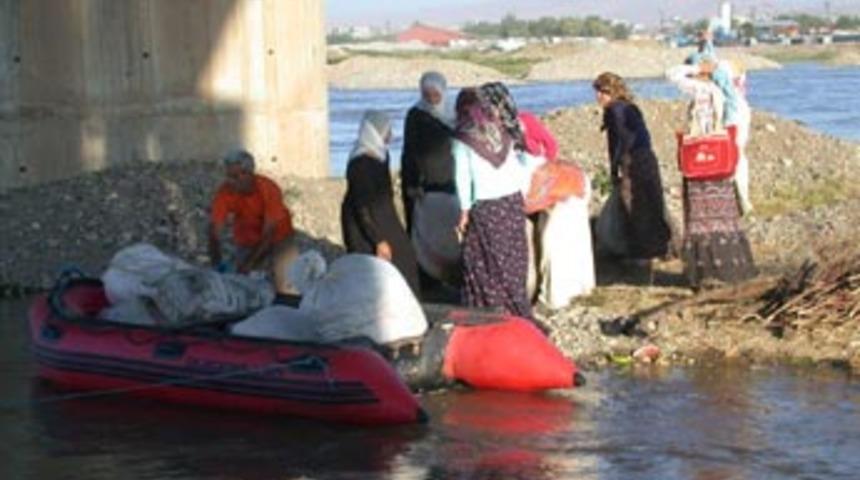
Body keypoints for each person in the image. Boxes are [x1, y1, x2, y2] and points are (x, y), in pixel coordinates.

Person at [480, 82, 594, 308]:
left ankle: (557, 295)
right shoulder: (489, 130)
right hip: (529, 189)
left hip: (550, 187)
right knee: (537, 240)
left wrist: (544, 169)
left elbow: (550, 145)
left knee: (554, 241)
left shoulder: (524, 121)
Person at [666, 63, 757, 288]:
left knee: (700, 220)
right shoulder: (734, 98)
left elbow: (671, 73)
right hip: (721, 167)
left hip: (700, 164)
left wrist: (695, 67)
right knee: (724, 219)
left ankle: (704, 270)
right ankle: (730, 268)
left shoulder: (704, 91)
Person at [453, 88, 540, 319]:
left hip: (487, 207)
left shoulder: (463, 138)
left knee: (484, 262)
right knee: (512, 259)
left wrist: (464, 211)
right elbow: (516, 165)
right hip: (511, 203)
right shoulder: (501, 131)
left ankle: (491, 313)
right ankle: (518, 309)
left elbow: (463, 178)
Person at [592, 72, 672, 263]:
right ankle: (660, 247)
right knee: (652, 202)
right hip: (646, 156)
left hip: (633, 159)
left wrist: (616, 167)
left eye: (602, 92)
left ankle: (641, 252)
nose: (598, 97)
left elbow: (620, 140)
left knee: (635, 205)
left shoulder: (615, 110)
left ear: (611, 92)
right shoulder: (629, 107)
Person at [341, 110, 420, 294]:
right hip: (365, 223)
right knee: (374, 268)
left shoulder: (380, 155)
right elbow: (361, 205)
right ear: (374, 133)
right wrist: (378, 240)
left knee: (405, 257)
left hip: (383, 214)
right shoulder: (360, 162)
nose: (390, 135)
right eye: (386, 131)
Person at [400, 72, 462, 290]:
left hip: (452, 183)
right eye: (427, 94)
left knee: (451, 232)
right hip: (427, 186)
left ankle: (453, 276)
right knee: (425, 232)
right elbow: (409, 152)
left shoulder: (455, 114)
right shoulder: (416, 115)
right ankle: (427, 280)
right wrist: (411, 184)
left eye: (435, 93)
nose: (432, 98)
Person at [208, 149, 295, 294]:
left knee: (286, 284)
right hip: (247, 239)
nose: (231, 181)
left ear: (248, 174)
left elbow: (269, 235)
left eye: (235, 176)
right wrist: (217, 264)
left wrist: (248, 264)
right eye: (228, 176)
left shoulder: (269, 189)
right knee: (244, 286)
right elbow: (214, 232)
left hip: (280, 237)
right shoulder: (225, 192)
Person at [688, 31, 754, 215]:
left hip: (735, 115)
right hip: (733, 111)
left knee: (735, 154)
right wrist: (706, 43)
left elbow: (730, 96)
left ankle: (742, 199)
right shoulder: (716, 68)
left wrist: (726, 127)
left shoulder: (721, 74)